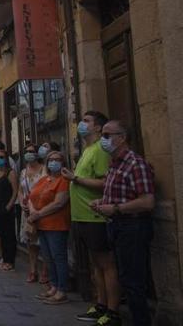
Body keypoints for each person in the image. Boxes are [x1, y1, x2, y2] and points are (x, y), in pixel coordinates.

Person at [90, 121, 155, 326]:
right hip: (116, 225)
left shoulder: (135, 164)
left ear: (122, 137)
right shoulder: (114, 164)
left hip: (132, 226)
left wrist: (116, 209)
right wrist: (102, 203)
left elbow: (147, 201)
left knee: (134, 282)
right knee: (125, 278)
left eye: (108, 135)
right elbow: (118, 196)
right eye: (102, 134)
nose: (104, 139)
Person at [61, 111, 121, 324]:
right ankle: (100, 304)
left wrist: (75, 178)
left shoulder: (100, 151)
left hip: (95, 216)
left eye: (87, 121)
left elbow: (106, 183)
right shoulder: (87, 150)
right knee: (96, 264)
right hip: (82, 216)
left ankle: (113, 311)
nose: (81, 124)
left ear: (97, 128)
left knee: (107, 264)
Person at [28, 151, 72, 305]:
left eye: (57, 160)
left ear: (63, 163)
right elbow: (30, 196)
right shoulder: (44, 180)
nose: (53, 162)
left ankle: (62, 290)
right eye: (51, 160)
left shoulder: (64, 180)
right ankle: (53, 286)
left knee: (58, 257)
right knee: (48, 257)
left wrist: (38, 214)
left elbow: (59, 202)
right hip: (41, 225)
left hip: (56, 224)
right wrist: (33, 212)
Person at [19, 143, 48, 284]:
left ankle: (45, 271)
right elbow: (20, 190)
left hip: (41, 211)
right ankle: (33, 270)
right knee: (31, 242)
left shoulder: (44, 170)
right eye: (27, 151)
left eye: (31, 151)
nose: (28, 153)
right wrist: (22, 203)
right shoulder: (23, 172)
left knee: (43, 242)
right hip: (27, 212)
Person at [0, 148, 19, 271]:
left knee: (9, 235)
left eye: (2, 157)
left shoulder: (10, 173)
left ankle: (10, 261)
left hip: (6, 207)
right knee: (1, 234)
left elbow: (15, 191)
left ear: (6, 159)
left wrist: (9, 206)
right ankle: (4, 258)